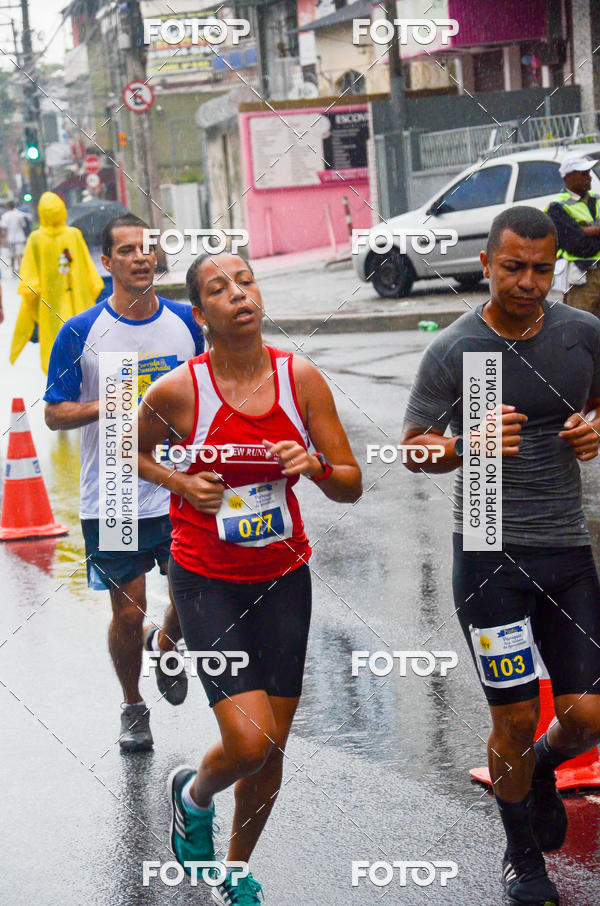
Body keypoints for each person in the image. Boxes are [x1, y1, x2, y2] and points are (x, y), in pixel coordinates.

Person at [136, 250, 362, 904]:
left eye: (245, 281)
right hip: (205, 576)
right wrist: (180, 481)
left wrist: (315, 463)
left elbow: (350, 483)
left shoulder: (302, 381)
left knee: (270, 751)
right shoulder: (180, 390)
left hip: (283, 576)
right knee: (247, 738)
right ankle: (193, 793)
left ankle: (234, 872)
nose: (239, 294)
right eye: (219, 288)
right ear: (201, 312)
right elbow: (137, 451)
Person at [401, 206, 600, 906]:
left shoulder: (582, 335)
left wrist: (594, 430)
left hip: (567, 550)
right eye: (513, 267)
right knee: (512, 718)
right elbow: (413, 446)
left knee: (587, 715)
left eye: (542, 269)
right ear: (485, 264)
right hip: (489, 553)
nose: (527, 281)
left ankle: (542, 767)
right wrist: (463, 446)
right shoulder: (457, 349)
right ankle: (522, 855)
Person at [44, 213, 204, 752]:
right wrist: (109, 404)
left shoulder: (187, 322)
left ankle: (168, 641)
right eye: (128, 250)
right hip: (112, 491)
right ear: (106, 262)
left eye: (149, 248)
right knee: (126, 608)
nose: (142, 257)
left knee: (192, 595)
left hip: (177, 486)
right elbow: (55, 414)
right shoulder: (80, 332)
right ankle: (133, 705)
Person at [10, 192, 104, 374]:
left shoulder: (36, 239)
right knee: (83, 350)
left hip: (50, 310)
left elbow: (30, 283)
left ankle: (65, 395)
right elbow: (91, 276)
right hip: (80, 308)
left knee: (57, 351)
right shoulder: (74, 235)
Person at [546, 154, 600, 313]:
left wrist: (589, 231)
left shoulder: (597, 200)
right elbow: (579, 245)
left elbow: (581, 240)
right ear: (569, 176)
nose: (589, 177)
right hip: (582, 277)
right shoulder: (557, 207)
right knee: (584, 327)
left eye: (589, 173)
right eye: (584, 173)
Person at [0, 200, 27, 271]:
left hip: (10, 238)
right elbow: (23, 226)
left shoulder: (5, 216)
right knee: (19, 253)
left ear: (8, 207)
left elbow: (4, 229)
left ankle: (13, 267)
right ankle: (20, 267)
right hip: (20, 237)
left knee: (12, 253)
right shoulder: (20, 215)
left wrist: (3, 239)